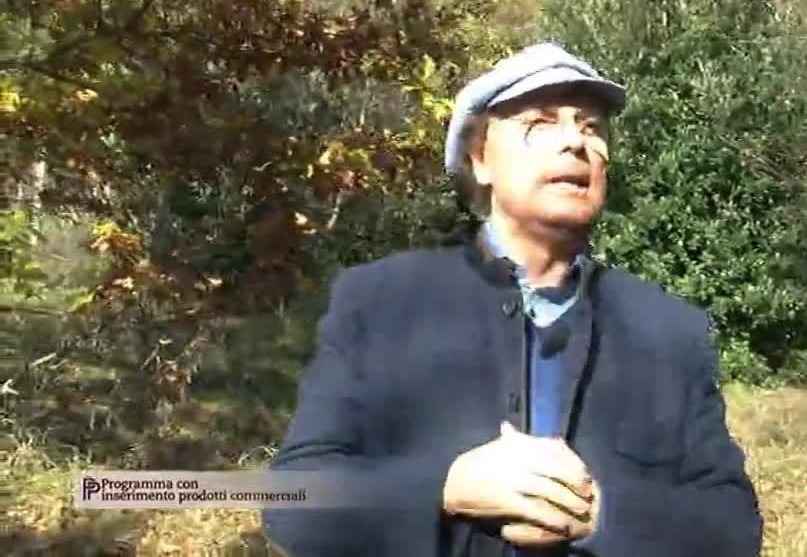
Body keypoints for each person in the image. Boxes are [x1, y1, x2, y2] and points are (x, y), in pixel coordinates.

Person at [261, 42, 763, 557]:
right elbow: (288, 499)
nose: (575, 141)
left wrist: (602, 515)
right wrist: (444, 488)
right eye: (540, 123)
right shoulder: (380, 303)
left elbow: (734, 528)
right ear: (480, 160)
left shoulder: (668, 330)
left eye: (592, 127)